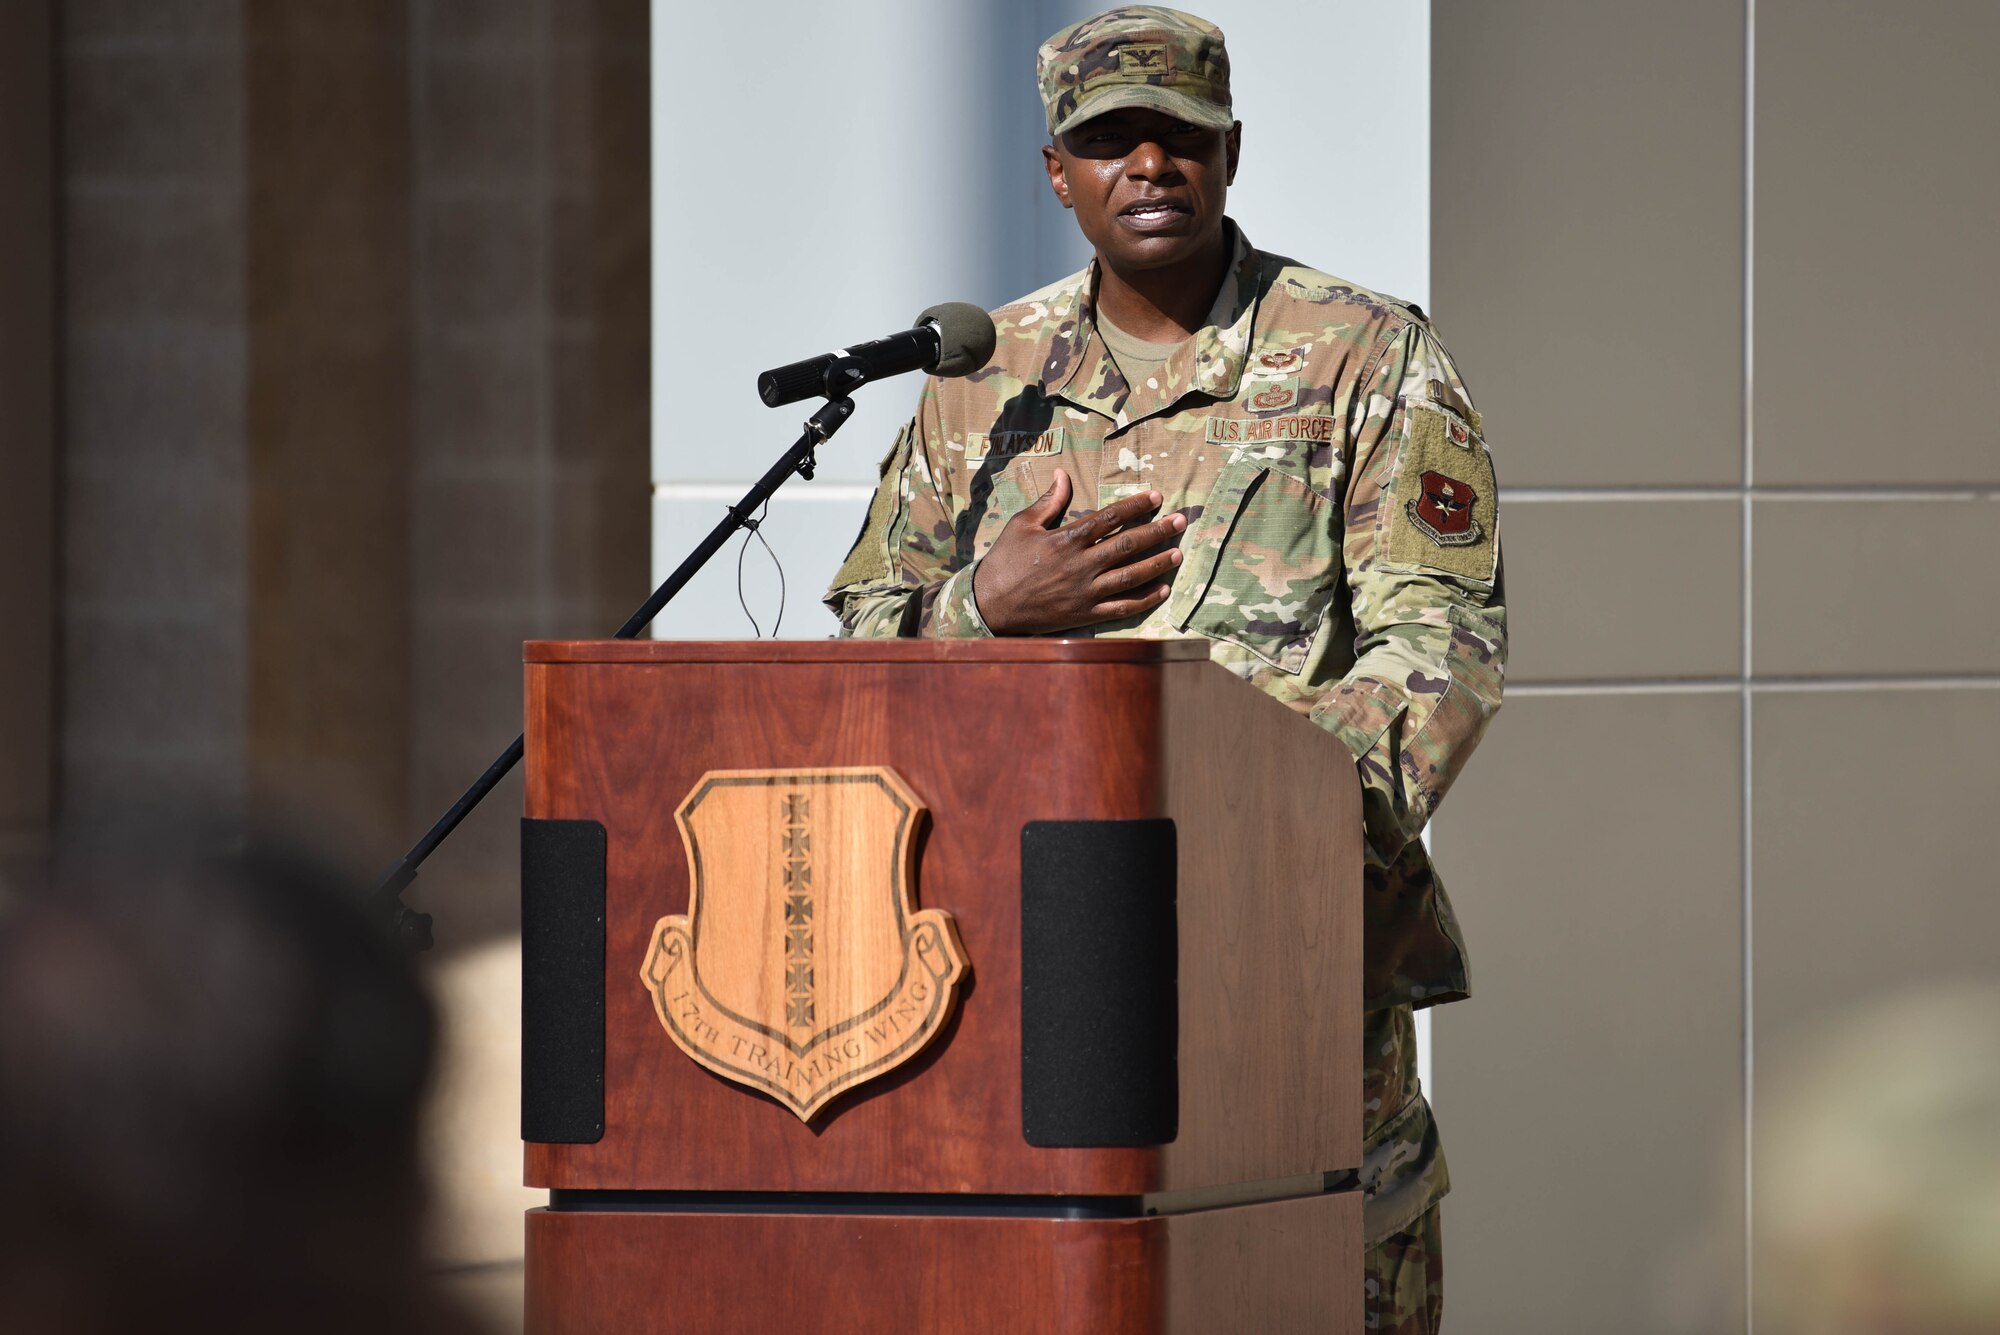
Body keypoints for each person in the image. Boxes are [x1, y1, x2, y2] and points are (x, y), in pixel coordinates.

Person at [824, 6, 1505, 1330]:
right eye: (1108, 138)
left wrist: (1254, 837)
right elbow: (863, 645)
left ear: (1230, 152)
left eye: (1178, 134)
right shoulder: (981, 382)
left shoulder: (1367, 355)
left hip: (1282, 981)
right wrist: (983, 605)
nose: (1149, 163)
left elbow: (1441, 653)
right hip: (1019, 978)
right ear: (1056, 172)